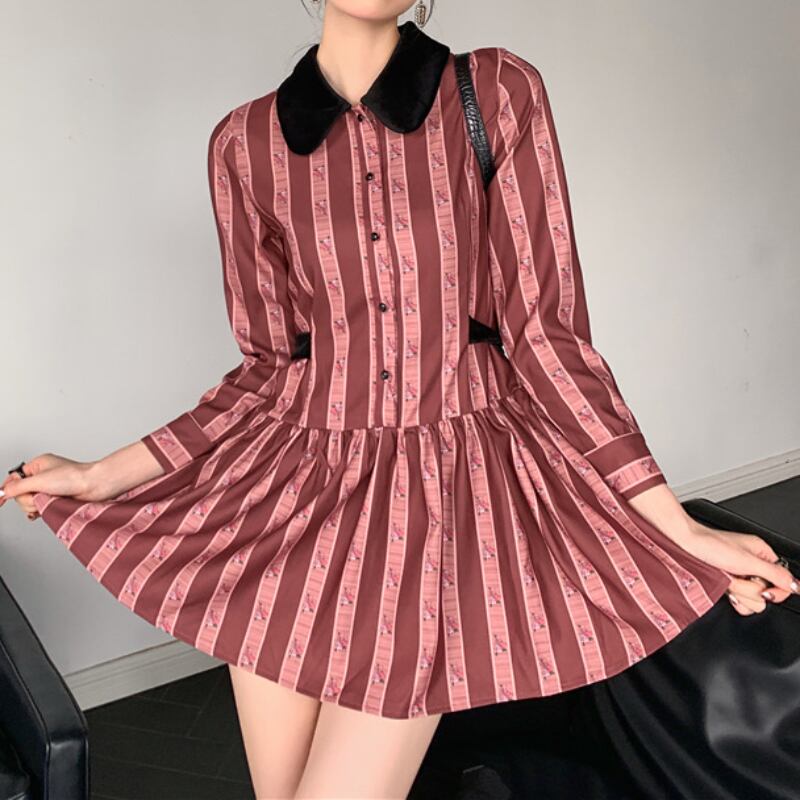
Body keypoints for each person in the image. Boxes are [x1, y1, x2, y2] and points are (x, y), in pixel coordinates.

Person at [3, 2, 797, 798]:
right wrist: (102, 475)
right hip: (288, 508)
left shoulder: (497, 91)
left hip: (441, 502)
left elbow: (548, 338)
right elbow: (267, 368)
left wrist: (678, 529)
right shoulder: (243, 145)